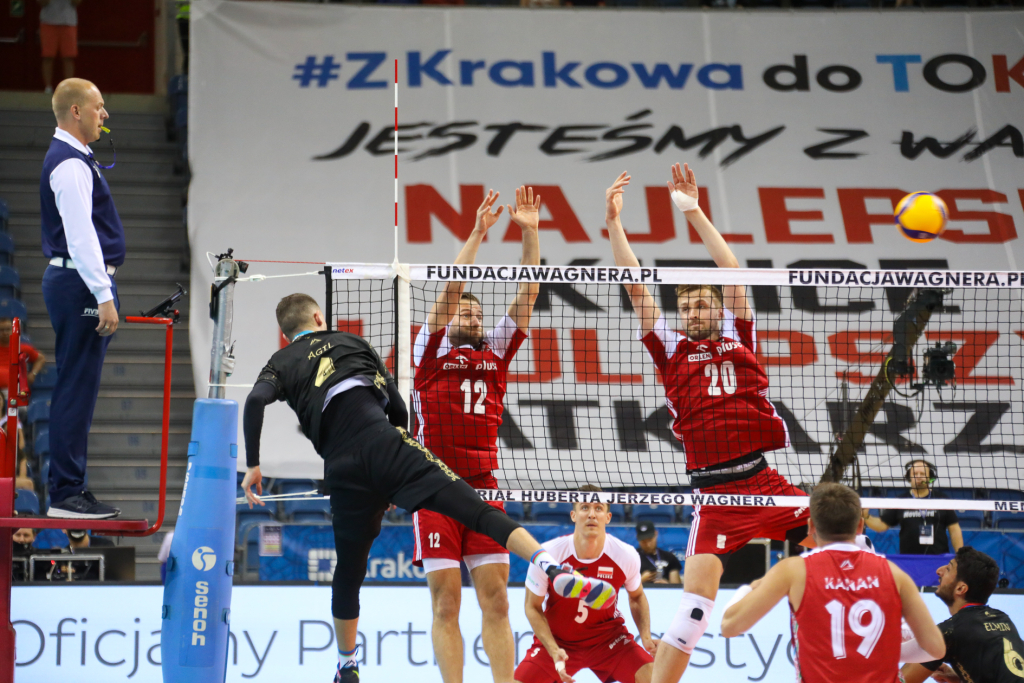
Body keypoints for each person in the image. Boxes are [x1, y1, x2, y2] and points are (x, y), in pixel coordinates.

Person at [240, 294, 615, 683]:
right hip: (387, 446)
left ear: (286, 332)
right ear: (319, 317)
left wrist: (253, 464)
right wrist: (394, 475)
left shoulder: (280, 362)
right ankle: (550, 566)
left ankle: (347, 664)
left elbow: (254, 401)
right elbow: (397, 409)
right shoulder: (352, 342)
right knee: (480, 513)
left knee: (349, 572)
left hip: (342, 468)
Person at [604, 164, 812, 683]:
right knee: (694, 611)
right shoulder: (670, 347)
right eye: (687, 306)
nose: (694, 310)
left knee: (848, 536)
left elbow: (731, 267)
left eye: (703, 303)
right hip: (715, 496)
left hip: (763, 481)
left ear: (718, 309)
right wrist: (614, 224)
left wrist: (693, 211)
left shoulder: (740, 335)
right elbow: (635, 288)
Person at [411, 186, 539, 683]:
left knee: (498, 599)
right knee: (446, 603)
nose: (474, 317)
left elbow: (528, 293)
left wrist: (530, 233)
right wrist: (478, 234)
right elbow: (450, 291)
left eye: (479, 314)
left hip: (483, 488)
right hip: (435, 488)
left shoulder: (495, 353)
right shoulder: (429, 351)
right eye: (466, 312)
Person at [721, 483, 945, 683]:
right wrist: (890, 651)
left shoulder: (792, 571)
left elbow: (729, 626)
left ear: (811, 526)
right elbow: (935, 649)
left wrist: (749, 588)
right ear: (860, 526)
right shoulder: (895, 574)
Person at [41, 79, 124, 520]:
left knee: (79, 387)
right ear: (76, 111)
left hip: (79, 282)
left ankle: (69, 489)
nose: (104, 115)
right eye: (98, 106)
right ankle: (66, 494)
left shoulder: (77, 158)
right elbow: (81, 237)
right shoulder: (70, 164)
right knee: (75, 387)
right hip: (80, 283)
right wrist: (103, 293)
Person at [515, 486, 657, 683]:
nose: (592, 514)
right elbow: (532, 606)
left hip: (608, 640)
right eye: (585, 507)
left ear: (608, 517)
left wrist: (646, 636)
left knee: (655, 679)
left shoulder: (625, 555)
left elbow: (637, 596)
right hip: (559, 640)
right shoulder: (548, 555)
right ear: (573, 515)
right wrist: (553, 649)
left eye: (598, 508)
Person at [901, 547, 1024, 683]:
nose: (939, 571)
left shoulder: (950, 631)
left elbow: (901, 680)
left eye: (948, 569)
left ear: (960, 589)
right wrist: (959, 678)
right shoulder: (1003, 619)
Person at [863, 459, 963, 555]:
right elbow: (882, 525)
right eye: (915, 474)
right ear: (909, 478)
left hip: (939, 559)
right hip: (908, 560)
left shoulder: (941, 499)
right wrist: (866, 517)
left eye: (922, 474)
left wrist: (960, 556)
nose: (918, 477)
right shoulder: (900, 501)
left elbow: (954, 529)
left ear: (930, 477)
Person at [37, 0, 82, 93]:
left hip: (68, 22)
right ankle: (48, 88)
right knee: (48, 57)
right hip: (48, 22)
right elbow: (42, 2)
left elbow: (76, 2)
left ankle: (68, 88)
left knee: (68, 57)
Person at [0, 317, 46, 392]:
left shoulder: (22, 348)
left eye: (8, 329)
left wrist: (33, 373)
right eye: (1, 330)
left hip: (13, 390)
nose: (5, 332)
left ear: (13, 330)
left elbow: (41, 358)